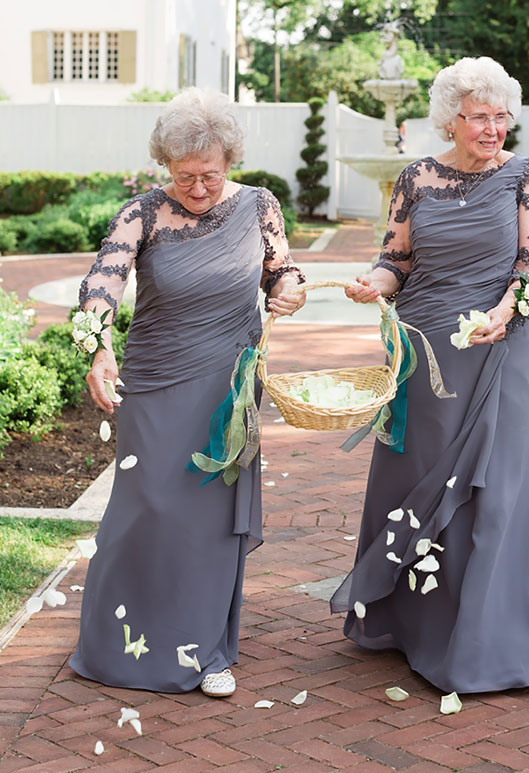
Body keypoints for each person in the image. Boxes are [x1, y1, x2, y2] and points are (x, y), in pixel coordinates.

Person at [331, 56, 529, 694]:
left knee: (495, 489)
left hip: (502, 344)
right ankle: (409, 626)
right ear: (450, 121)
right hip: (425, 348)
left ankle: (487, 644)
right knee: (417, 474)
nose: (493, 128)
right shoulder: (416, 178)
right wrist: (372, 284)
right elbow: (396, 260)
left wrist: (504, 313)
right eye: (479, 116)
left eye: (501, 116)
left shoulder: (523, 176)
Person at [69, 88, 305, 697]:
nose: (198, 188)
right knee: (146, 509)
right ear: (165, 165)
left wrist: (289, 290)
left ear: (230, 161)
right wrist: (99, 348)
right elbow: (102, 283)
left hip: (229, 385)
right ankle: (117, 642)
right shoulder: (142, 213)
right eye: (184, 176)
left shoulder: (259, 206)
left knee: (207, 519)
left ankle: (204, 651)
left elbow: (282, 271)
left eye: (210, 175)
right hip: (155, 382)